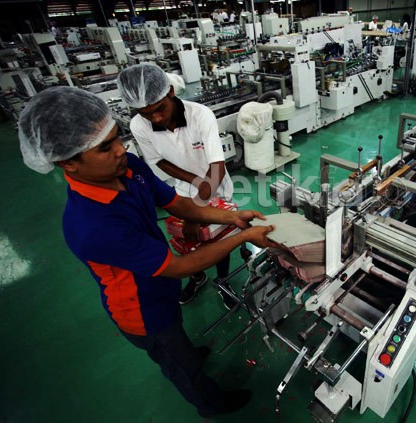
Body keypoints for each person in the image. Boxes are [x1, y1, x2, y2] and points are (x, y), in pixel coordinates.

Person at [17, 86, 275, 418]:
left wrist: (230, 218)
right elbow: (179, 267)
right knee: (180, 365)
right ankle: (211, 404)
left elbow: (177, 203)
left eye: (117, 137)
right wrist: (244, 237)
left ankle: (186, 352)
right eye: (105, 147)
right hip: (142, 310)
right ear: (69, 162)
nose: (120, 150)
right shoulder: (91, 225)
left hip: (160, 287)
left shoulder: (129, 168)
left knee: (178, 335)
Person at [117, 63, 237, 309]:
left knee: (217, 236)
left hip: (216, 185)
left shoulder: (200, 115)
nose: (156, 118)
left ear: (170, 92)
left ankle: (223, 280)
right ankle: (197, 275)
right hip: (183, 189)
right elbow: (158, 161)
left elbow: (216, 165)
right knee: (187, 238)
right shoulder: (139, 125)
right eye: (146, 113)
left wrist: (197, 210)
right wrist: (193, 182)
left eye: (159, 109)